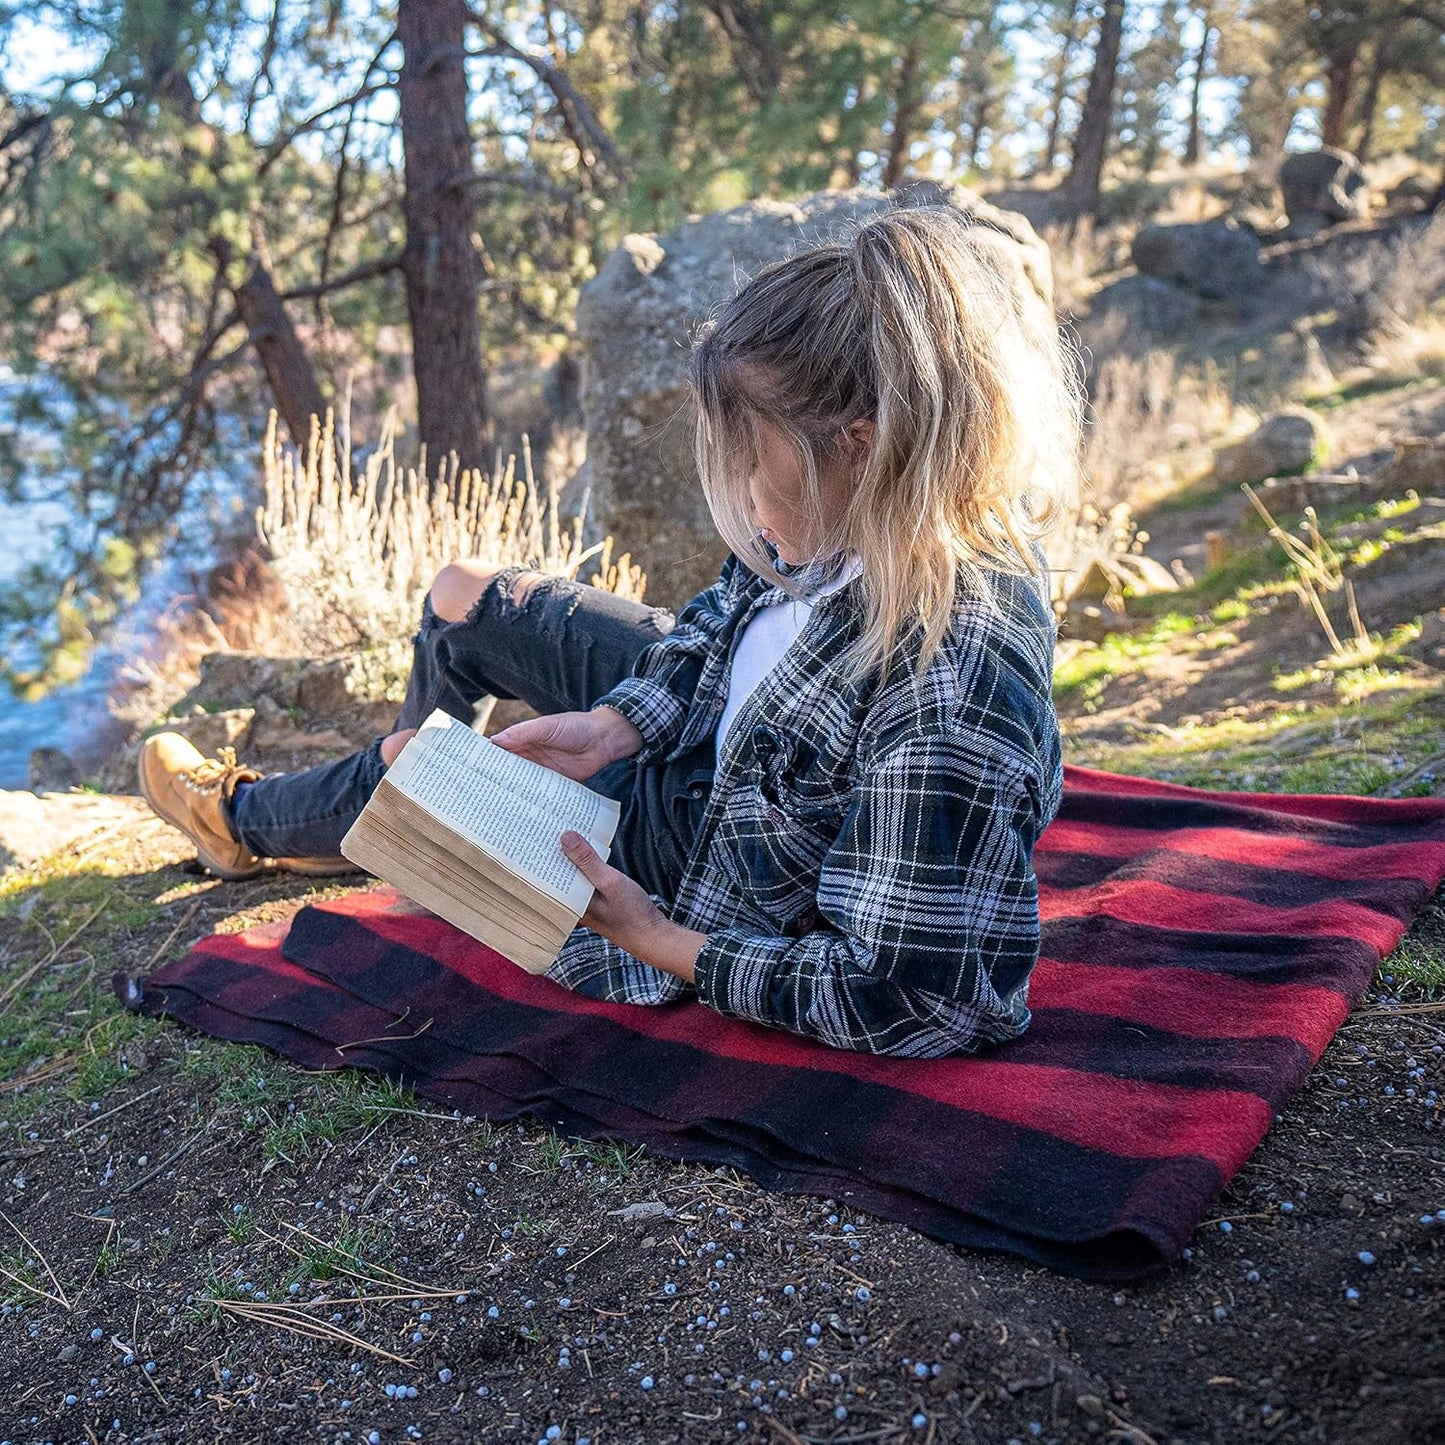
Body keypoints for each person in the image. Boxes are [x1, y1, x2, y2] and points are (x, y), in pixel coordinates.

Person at [140, 205, 1080, 1058]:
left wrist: (653, 938)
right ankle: (396, 837)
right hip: (737, 740)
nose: (747, 507)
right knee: (464, 597)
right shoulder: (860, 515)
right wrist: (618, 724)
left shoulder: (946, 685)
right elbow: (725, 617)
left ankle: (253, 822)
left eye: (754, 466)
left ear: (862, 442)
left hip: (719, 848)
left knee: (406, 765)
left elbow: (926, 1000)